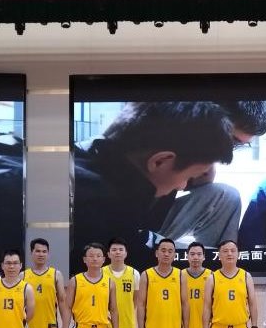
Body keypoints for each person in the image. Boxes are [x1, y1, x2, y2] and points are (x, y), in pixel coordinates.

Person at [73, 102, 238, 258]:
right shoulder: (101, 208)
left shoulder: (101, 158)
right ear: (160, 161)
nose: (182, 186)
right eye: (188, 177)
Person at [158, 101, 266, 247]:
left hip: (157, 220)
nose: (228, 150)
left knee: (227, 196)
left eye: (238, 145)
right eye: (231, 140)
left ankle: (219, 259)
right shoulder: (168, 132)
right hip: (134, 225)